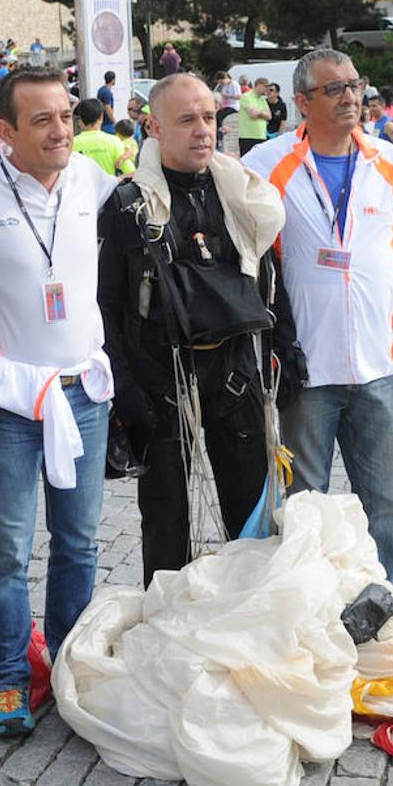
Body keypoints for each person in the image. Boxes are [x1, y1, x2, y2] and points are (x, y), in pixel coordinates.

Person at [0, 68, 117, 738]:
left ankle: (66, 664)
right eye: (41, 120)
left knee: (80, 543)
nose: (61, 129)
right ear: (3, 131)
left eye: (65, 115)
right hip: (6, 401)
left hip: (82, 396)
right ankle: (9, 676)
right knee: (7, 550)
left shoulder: (93, 182)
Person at [244, 49, 393, 596]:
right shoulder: (267, 165)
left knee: (384, 502)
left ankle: (392, 605)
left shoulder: (386, 161)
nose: (351, 98)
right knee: (305, 502)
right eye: (335, 90)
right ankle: (307, 605)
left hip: (377, 368)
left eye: (355, 86)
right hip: (306, 370)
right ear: (303, 102)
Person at [99, 72, 292, 584]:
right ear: (155, 127)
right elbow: (108, 306)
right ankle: (168, 631)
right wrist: (125, 392)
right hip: (161, 382)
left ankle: (250, 617)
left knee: (253, 517)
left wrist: (285, 356)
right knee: (166, 523)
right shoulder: (126, 207)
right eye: (187, 119)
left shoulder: (245, 197)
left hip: (236, 375)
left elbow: (271, 282)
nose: (204, 129)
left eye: (209, 117)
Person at [72, 98, 132, 175]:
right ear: (101, 117)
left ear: (80, 120)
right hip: (110, 186)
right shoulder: (114, 141)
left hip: (82, 187)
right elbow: (131, 172)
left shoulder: (72, 144)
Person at [237, 77, 271, 156]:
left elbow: (269, 116)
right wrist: (263, 113)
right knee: (247, 163)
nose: (267, 89)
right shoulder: (246, 96)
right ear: (258, 85)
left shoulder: (262, 100)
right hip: (247, 136)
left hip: (261, 135)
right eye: (265, 86)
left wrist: (258, 112)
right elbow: (252, 115)